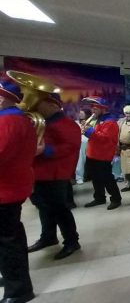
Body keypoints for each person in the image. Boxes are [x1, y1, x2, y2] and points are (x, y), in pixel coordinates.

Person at [28, 93, 82, 260]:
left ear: (53, 105)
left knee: (60, 209)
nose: (34, 106)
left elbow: (71, 146)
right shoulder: (41, 122)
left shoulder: (66, 123)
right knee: (43, 207)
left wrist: (46, 150)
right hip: (39, 172)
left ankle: (72, 241)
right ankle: (48, 236)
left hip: (55, 173)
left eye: (40, 103)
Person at [0, 78, 37, 303]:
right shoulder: (19, 120)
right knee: (10, 238)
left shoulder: (8, 121)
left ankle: (18, 289)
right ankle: (13, 278)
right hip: (12, 185)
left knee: (7, 242)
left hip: (5, 188)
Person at [82, 97, 122, 210]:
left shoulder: (110, 122)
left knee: (107, 178)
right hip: (93, 154)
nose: (92, 111)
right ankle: (99, 198)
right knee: (95, 178)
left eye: (95, 109)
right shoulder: (98, 120)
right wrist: (88, 130)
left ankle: (116, 198)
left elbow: (105, 138)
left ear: (103, 109)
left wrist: (89, 131)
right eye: (92, 108)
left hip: (103, 155)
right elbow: (96, 135)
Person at [75, 109, 90, 184]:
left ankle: (89, 176)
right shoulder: (76, 123)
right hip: (80, 144)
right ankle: (79, 177)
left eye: (82, 113)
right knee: (80, 160)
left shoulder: (90, 122)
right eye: (79, 113)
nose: (80, 115)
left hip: (90, 143)